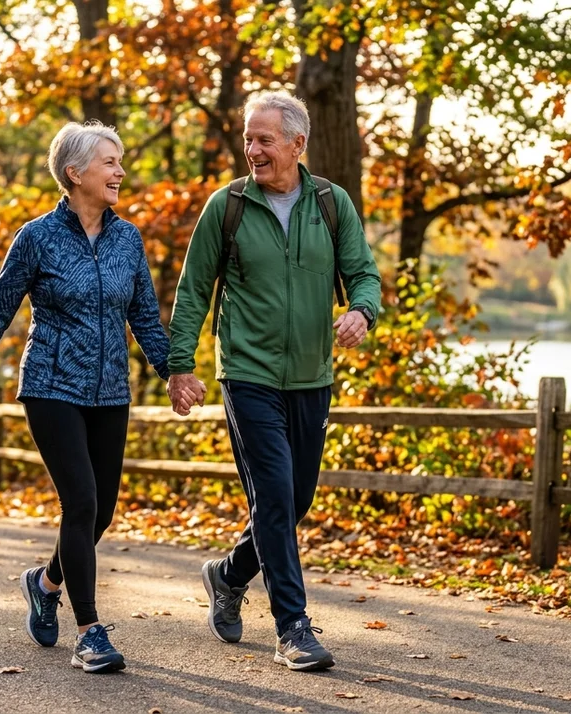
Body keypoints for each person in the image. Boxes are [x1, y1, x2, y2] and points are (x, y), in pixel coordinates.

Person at [0, 120, 180, 674]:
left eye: (120, 162)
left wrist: (173, 371)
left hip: (109, 390)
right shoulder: (37, 237)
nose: (120, 171)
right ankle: (90, 632)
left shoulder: (127, 239)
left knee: (100, 513)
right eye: (109, 162)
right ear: (75, 174)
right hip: (51, 384)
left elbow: (144, 315)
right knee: (80, 502)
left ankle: (46, 582)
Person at [166, 90, 383, 672]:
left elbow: (363, 274)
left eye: (264, 139)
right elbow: (193, 291)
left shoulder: (331, 205)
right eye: (248, 138)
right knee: (276, 495)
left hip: (312, 374)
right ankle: (294, 626)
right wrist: (179, 364)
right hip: (248, 371)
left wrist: (361, 310)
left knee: (295, 500)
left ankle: (228, 574)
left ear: (296, 144)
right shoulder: (228, 206)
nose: (252, 149)